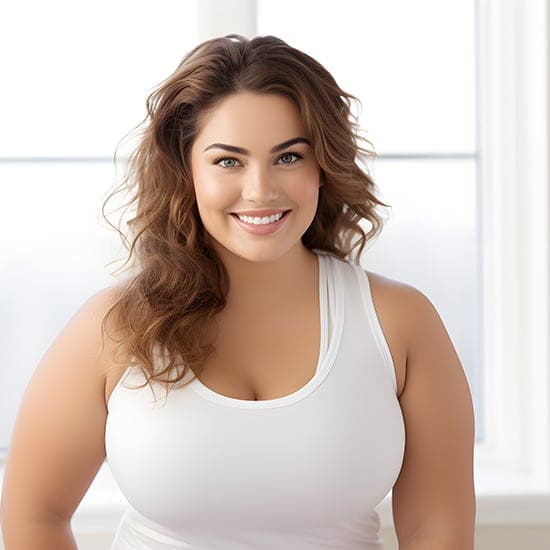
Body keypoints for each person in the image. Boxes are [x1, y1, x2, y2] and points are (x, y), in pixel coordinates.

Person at [0, 34, 475, 549]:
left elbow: (438, 532)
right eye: (228, 161)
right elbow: (34, 514)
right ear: (187, 171)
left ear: (323, 166)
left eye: (288, 157)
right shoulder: (115, 326)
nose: (260, 190)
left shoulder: (401, 322)